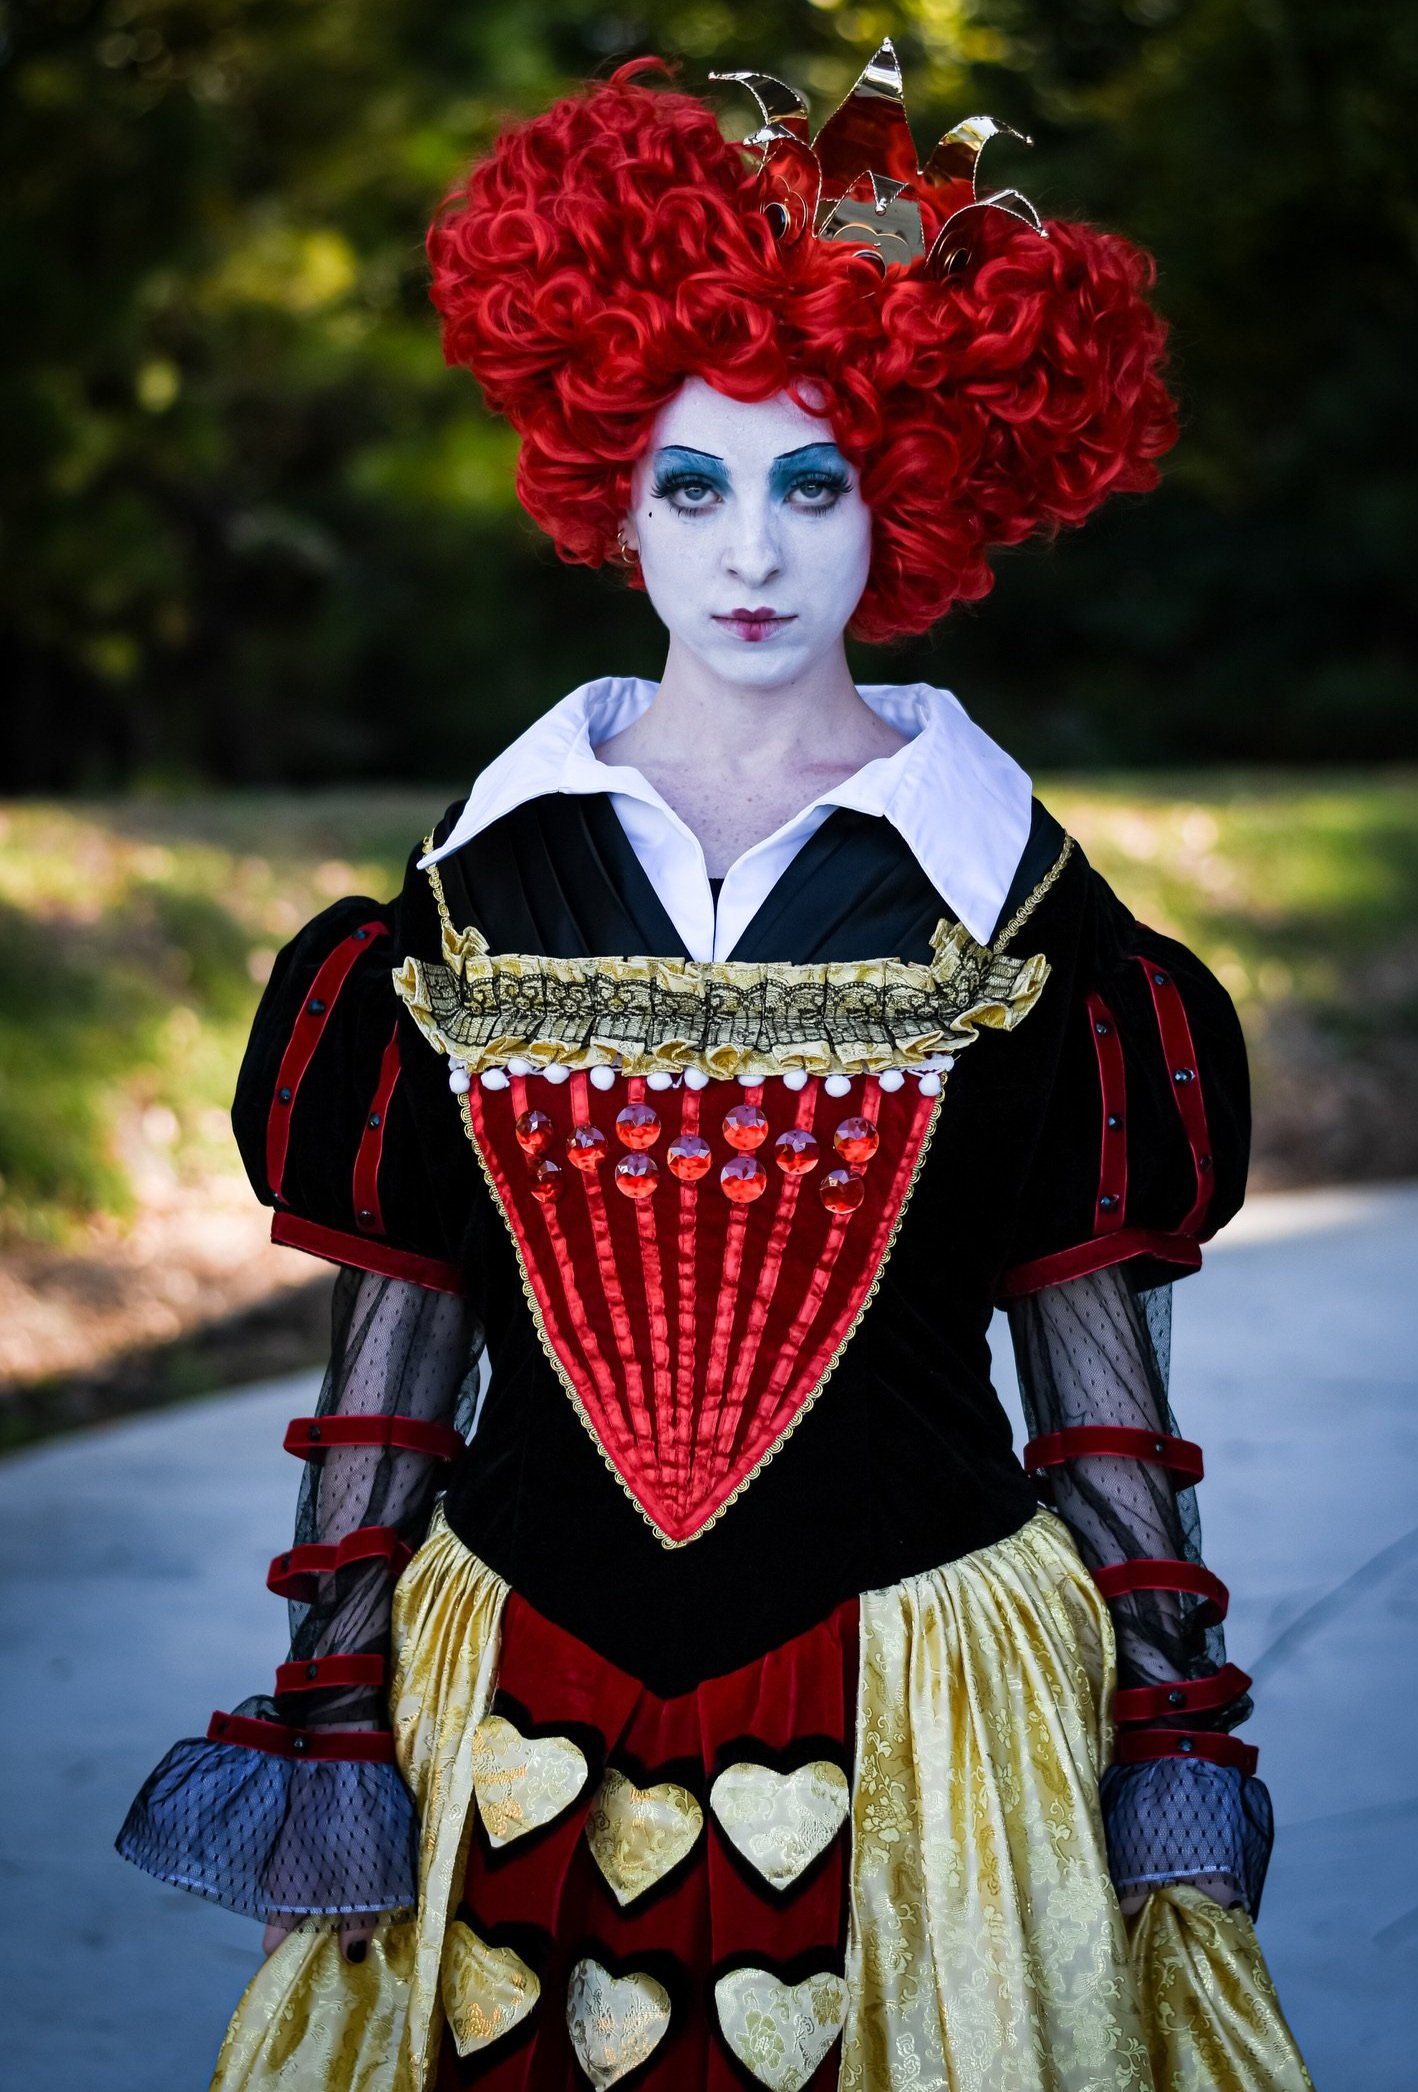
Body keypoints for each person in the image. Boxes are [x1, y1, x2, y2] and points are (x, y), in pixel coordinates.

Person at [118, 46, 1313, 2092]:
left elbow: (1097, 1391)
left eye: (811, 480)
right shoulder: (476, 893)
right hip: (520, 1690)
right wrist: (327, 1708)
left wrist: (1172, 1728)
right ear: (614, 493)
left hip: (919, 1695)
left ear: (908, 498)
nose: (748, 550)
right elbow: (395, 1352)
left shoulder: (1020, 916)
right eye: (694, 480)